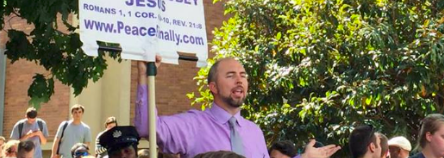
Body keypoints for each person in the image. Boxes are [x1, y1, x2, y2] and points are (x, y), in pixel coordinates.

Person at [135, 57, 340, 158]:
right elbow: (146, 128)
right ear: (213, 87)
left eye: (243, 75)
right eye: (231, 76)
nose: (239, 81)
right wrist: (144, 76)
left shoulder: (254, 132)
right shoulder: (192, 124)